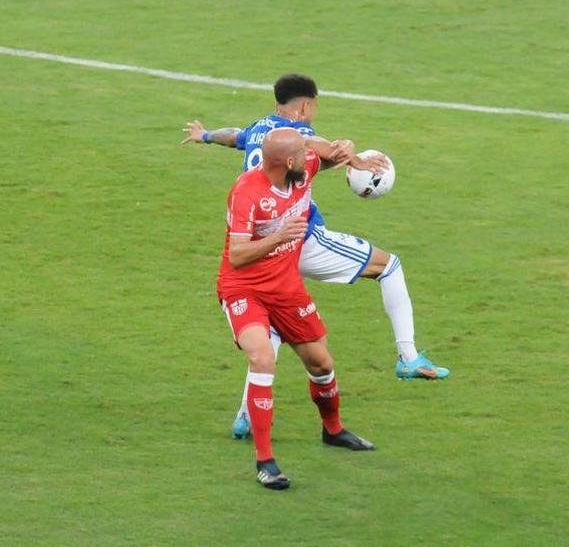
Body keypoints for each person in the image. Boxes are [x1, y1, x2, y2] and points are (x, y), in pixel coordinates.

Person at [183, 73, 450, 439]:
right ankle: (408, 356)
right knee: (389, 266)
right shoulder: (299, 134)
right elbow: (321, 145)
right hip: (300, 241)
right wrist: (354, 158)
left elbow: (235, 137)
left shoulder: (262, 130)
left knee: (269, 331)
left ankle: (246, 414)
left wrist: (206, 135)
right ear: (306, 105)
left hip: (263, 252)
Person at [218, 127, 375, 490]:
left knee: (321, 363)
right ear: (288, 162)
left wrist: (350, 151)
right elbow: (237, 256)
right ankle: (265, 461)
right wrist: (278, 237)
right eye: (303, 153)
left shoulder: (302, 172)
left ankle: (333, 430)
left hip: (286, 288)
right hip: (245, 288)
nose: (310, 157)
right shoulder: (246, 192)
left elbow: (332, 153)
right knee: (262, 359)